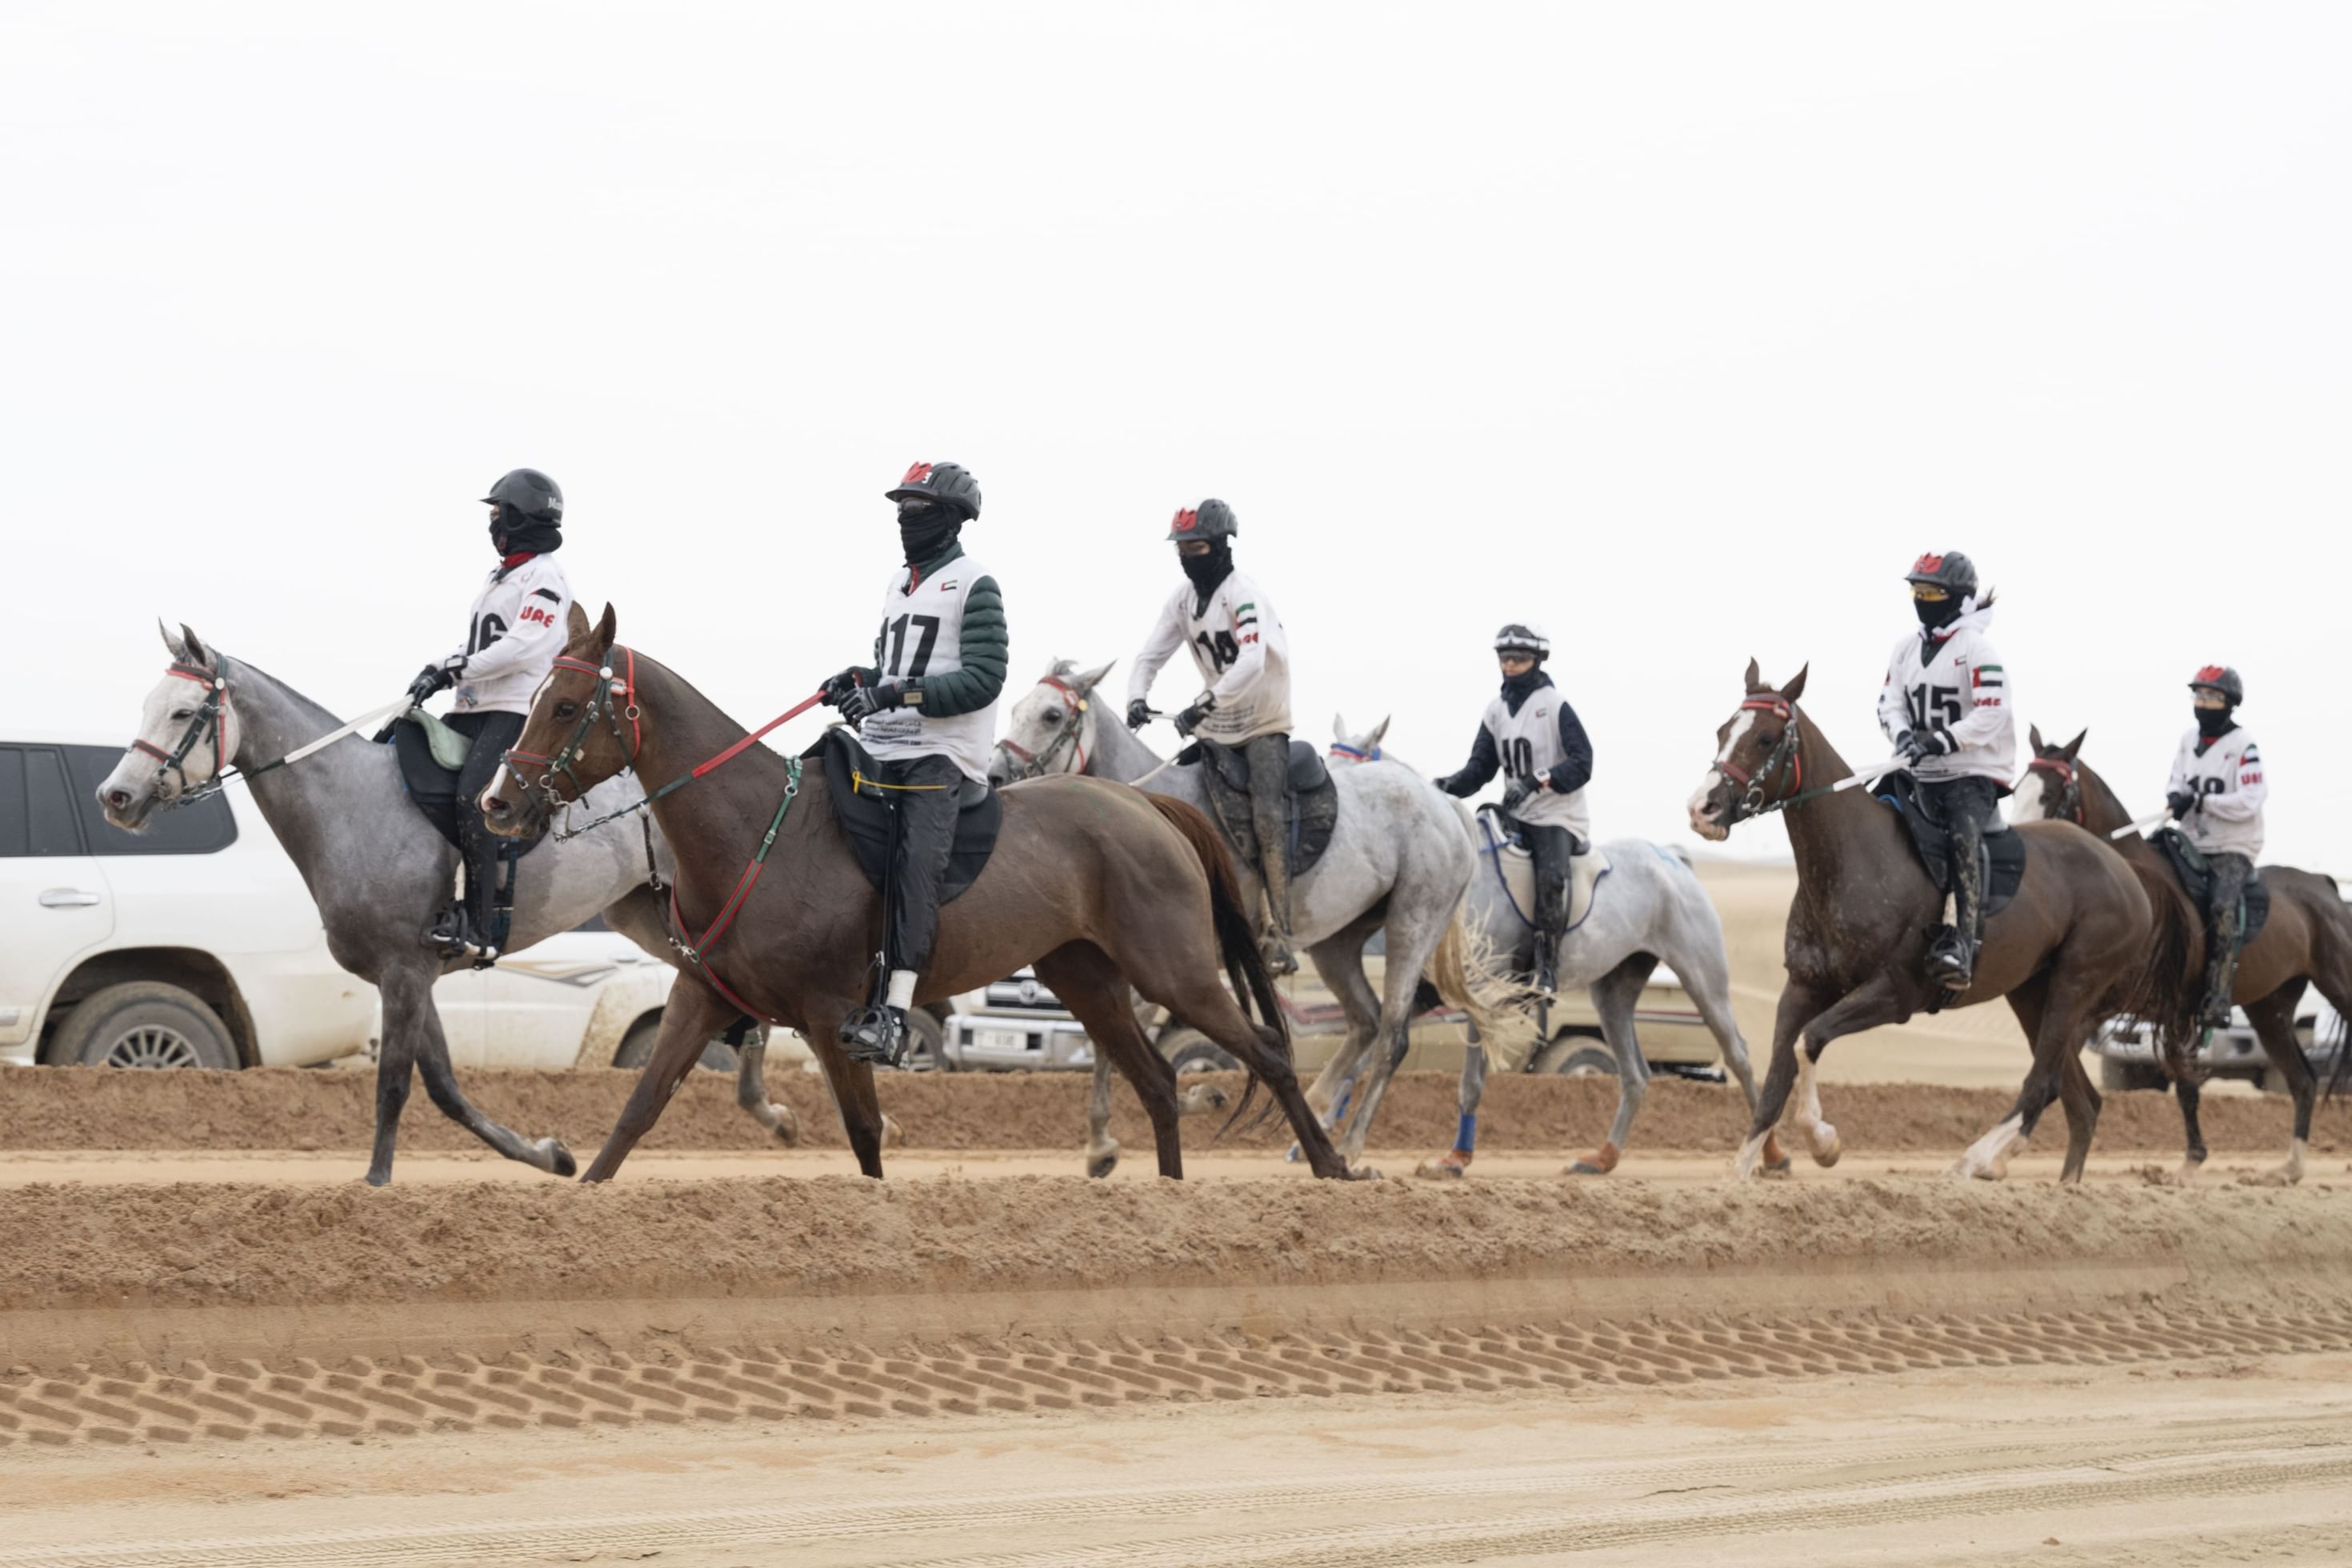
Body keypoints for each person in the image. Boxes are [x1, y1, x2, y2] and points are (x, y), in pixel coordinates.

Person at [820, 462, 1006, 1066]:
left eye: (918, 509)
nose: (905, 519)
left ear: (952, 519)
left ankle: (895, 1013)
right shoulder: (898, 584)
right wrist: (859, 680)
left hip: (940, 754)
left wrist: (894, 694)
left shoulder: (976, 584)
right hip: (882, 741)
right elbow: (891, 670)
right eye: (901, 507)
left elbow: (984, 679)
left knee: (914, 864)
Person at [404, 469, 573, 962]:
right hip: (473, 708)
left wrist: (457, 669)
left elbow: (522, 647)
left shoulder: (546, 577)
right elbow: (482, 642)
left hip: (515, 710)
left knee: (475, 805)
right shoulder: (499, 576)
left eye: (499, 512)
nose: (493, 521)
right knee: (408, 769)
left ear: (521, 517)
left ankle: (480, 929)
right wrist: (438, 666)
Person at [1125, 498, 1298, 973]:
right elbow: (1149, 656)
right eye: (1182, 547)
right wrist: (1137, 697)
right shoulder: (1181, 599)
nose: (1189, 555)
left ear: (1222, 546)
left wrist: (1202, 704)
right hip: (1218, 725)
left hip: (1262, 722)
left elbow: (1252, 661)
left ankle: (1279, 933)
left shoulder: (1243, 595)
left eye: (1197, 546)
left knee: (1267, 816)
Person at [1875, 550, 2015, 994]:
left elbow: (1993, 713)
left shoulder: (1978, 650)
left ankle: (1961, 944)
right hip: (1917, 769)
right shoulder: (1905, 649)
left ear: (1958, 599)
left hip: (1970, 773)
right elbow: (1889, 703)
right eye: (1917, 591)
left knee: (1962, 842)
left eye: (1932, 592)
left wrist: (1940, 741)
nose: (1922, 599)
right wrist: (1901, 736)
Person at [1434, 622, 1593, 997]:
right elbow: (1480, 769)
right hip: (1515, 815)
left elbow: (1583, 763)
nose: (1509, 666)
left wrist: (1537, 780)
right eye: (1504, 659)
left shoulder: (1555, 706)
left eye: (1518, 659)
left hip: (1557, 816)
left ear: (1536, 661)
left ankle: (1546, 966)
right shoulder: (1495, 711)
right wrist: (1445, 785)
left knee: (1551, 881)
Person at [2165, 665, 2266, 1029]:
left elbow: (2253, 798)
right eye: (2199, 696)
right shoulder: (2187, 738)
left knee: (2222, 908)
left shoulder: (2244, 745)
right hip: (2191, 841)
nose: (2204, 703)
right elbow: (2177, 779)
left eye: (2212, 697)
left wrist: (2204, 802)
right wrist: (2176, 796)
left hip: (2232, 845)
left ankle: (2218, 998)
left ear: (2230, 703)